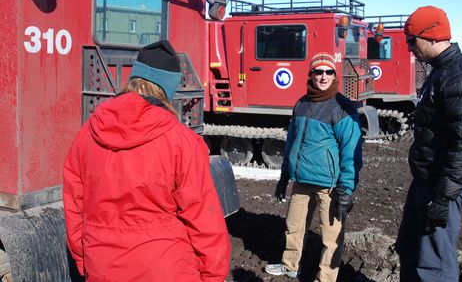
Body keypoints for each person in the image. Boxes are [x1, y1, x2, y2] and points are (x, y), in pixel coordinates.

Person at [63, 40, 230, 282]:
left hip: (102, 266)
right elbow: (204, 218)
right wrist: (213, 276)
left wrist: (85, 259)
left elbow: (74, 205)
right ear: (167, 90)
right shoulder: (183, 141)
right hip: (166, 269)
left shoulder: (87, 133)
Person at [395, 6, 462, 282]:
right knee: (410, 249)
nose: (409, 47)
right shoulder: (440, 71)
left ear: (433, 37)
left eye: (412, 40)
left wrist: (443, 197)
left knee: (433, 264)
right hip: (428, 180)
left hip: (443, 185)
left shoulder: (461, 78)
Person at [265, 53, 363, 282]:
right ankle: (290, 266)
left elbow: (352, 152)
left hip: (329, 186)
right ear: (310, 75)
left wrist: (346, 189)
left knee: (331, 237)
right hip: (301, 181)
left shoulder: (342, 107)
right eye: (318, 72)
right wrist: (284, 176)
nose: (323, 76)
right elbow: (292, 141)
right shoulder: (302, 103)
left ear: (334, 75)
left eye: (329, 72)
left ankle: (326, 278)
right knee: (293, 227)